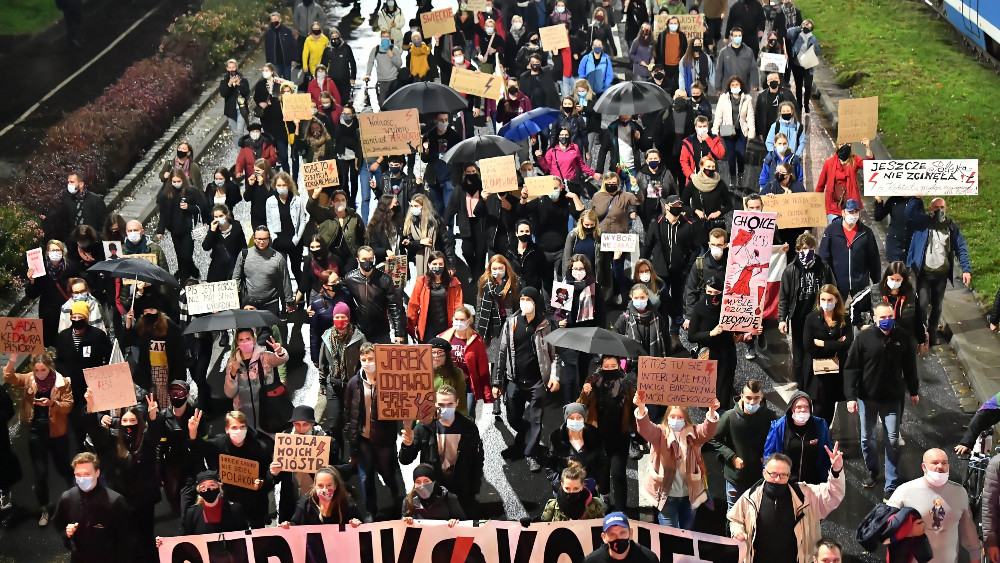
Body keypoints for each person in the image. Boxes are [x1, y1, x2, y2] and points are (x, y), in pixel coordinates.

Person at [846, 301, 920, 496]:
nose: (887, 321)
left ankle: (891, 481)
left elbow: (910, 366)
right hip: (867, 398)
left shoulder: (902, 337)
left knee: (893, 440)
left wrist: (914, 390)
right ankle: (872, 470)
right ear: (875, 317)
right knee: (866, 438)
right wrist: (851, 396)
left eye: (890, 317)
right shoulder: (864, 338)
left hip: (892, 399)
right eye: (883, 317)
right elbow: (852, 368)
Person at [728, 450, 846, 563]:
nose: (777, 480)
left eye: (783, 475)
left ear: (789, 475)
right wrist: (737, 531)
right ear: (764, 473)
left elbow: (833, 494)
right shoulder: (750, 497)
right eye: (773, 474)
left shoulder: (806, 495)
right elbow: (735, 519)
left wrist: (836, 471)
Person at [84, 393, 162, 560]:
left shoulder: (145, 440)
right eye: (125, 421)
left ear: (139, 423)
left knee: (146, 539)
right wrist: (90, 409)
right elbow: (95, 432)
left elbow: (154, 436)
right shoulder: (112, 439)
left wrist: (154, 417)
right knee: (124, 540)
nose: (128, 424)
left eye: (132, 421)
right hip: (120, 502)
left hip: (144, 501)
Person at [492, 287, 560, 472]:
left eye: (528, 299)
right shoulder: (511, 323)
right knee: (513, 418)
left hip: (537, 382)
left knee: (537, 418)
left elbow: (555, 355)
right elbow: (501, 352)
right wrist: (497, 382)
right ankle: (528, 431)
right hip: (514, 380)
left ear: (536, 302)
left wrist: (554, 376)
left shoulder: (546, 325)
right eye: (522, 298)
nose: (524, 302)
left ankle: (531, 453)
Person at [4, 352, 73, 527]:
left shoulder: (62, 382)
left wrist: (52, 404)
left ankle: (75, 500)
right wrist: (12, 360)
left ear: (50, 368)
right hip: (36, 431)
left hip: (56, 431)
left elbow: (68, 405)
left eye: (43, 369)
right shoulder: (29, 379)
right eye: (36, 370)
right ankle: (44, 507)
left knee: (64, 467)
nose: (39, 373)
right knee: (40, 472)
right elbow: (10, 377)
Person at [635, 390, 719, 528]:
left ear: (686, 419)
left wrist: (711, 412)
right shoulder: (660, 434)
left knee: (686, 534)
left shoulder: (694, 434)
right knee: (670, 536)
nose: (676, 420)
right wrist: (641, 407)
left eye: (680, 417)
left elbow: (708, 431)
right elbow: (645, 428)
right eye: (673, 416)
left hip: (689, 496)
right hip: (666, 497)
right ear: (667, 418)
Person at [399, 384, 483, 515]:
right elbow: (405, 460)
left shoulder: (469, 428)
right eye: (441, 405)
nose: (445, 409)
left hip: (461, 487)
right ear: (435, 404)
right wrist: (407, 445)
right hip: (434, 490)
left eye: (450, 404)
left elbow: (477, 461)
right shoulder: (423, 427)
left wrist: (475, 488)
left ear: (457, 403)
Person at [887, 448, 981, 563]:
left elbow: (967, 530)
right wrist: (909, 531)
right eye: (935, 463)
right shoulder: (904, 491)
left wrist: (975, 553)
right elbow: (883, 531)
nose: (940, 466)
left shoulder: (959, 492)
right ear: (924, 467)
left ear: (949, 467)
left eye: (944, 463)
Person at [344, 344, 404, 519]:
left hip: (384, 439)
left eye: (371, 359)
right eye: (364, 360)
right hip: (363, 440)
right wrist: (351, 435)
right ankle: (371, 510)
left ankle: (395, 492)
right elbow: (348, 412)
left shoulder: (389, 382)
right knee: (365, 476)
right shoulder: (354, 383)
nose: (367, 363)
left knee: (387, 472)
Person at [188, 410, 274, 528]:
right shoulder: (219, 443)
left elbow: (270, 474)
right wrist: (193, 431)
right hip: (230, 500)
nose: (238, 431)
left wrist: (263, 483)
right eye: (234, 427)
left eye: (242, 427)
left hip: (255, 502)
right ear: (227, 429)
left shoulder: (260, 448)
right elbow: (200, 447)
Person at [905, 197, 972, 346]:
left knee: (937, 305)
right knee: (921, 304)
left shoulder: (951, 226)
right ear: (930, 209)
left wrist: (966, 269)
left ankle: (932, 332)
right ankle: (921, 332)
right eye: (936, 207)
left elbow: (961, 247)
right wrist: (916, 199)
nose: (939, 210)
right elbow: (909, 214)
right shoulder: (922, 223)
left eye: (942, 207)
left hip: (941, 274)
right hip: (924, 273)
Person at [710, 379, 779, 509]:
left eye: (756, 398)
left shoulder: (770, 417)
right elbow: (714, 438)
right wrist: (732, 457)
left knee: (757, 511)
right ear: (741, 396)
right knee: (733, 511)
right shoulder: (730, 416)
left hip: (760, 477)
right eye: (748, 398)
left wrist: (769, 456)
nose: (752, 402)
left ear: (761, 397)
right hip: (735, 477)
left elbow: (778, 440)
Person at [577, 356, 635, 512]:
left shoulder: (628, 385)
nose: (609, 369)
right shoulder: (592, 381)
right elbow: (580, 407)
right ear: (601, 367)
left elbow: (633, 410)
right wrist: (585, 392)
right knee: (602, 471)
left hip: (619, 436)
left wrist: (640, 436)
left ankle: (622, 509)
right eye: (606, 366)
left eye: (613, 366)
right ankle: (605, 497)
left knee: (618, 474)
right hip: (598, 437)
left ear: (619, 366)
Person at [777, 233, 835, 387]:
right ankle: (801, 387)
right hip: (799, 319)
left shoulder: (823, 268)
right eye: (803, 249)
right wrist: (782, 319)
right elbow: (784, 297)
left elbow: (833, 292)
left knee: (819, 351)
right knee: (799, 356)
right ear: (797, 250)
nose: (807, 251)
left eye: (810, 248)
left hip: (819, 318)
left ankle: (817, 385)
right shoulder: (790, 270)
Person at [52, 452, 131, 563]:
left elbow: (126, 538)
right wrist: (66, 533)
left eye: (87, 474)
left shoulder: (115, 501)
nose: (82, 479)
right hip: (79, 558)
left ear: (97, 473)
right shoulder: (68, 497)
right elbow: (58, 522)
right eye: (78, 475)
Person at [269, 406, 338, 523]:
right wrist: (274, 473)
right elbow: (272, 479)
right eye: (297, 424)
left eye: (305, 424)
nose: (301, 428)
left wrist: (327, 470)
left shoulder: (327, 442)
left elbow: (338, 472)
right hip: (291, 502)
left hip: (318, 502)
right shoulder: (284, 441)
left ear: (312, 424)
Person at [818, 199, 881, 326]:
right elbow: (824, 257)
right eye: (850, 211)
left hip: (860, 282)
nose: (853, 215)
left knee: (860, 316)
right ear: (843, 212)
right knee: (836, 315)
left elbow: (873, 257)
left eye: (856, 211)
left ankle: (859, 339)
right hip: (837, 283)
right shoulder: (832, 231)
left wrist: (877, 282)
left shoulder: (866, 232)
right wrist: (827, 281)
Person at [801, 285, 853, 423]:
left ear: (836, 300)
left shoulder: (844, 319)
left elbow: (847, 344)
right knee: (817, 408)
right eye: (823, 299)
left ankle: (824, 436)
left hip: (835, 372)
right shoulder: (811, 319)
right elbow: (809, 347)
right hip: (816, 373)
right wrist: (836, 344)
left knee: (830, 407)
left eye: (830, 299)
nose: (826, 302)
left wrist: (823, 344)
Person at [233, 226, 297, 336]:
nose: (261, 242)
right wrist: (235, 298)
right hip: (249, 304)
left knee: (268, 336)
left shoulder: (277, 258)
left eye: (264, 239)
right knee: (248, 335)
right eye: (259, 239)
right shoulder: (244, 255)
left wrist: (289, 301)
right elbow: (236, 278)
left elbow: (285, 281)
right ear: (254, 239)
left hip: (270, 303)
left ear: (269, 239)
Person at [126, 294, 185, 407]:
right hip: (147, 375)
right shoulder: (141, 326)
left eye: (151, 310)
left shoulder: (171, 328)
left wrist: (180, 381)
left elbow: (179, 356)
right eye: (145, 311)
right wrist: (128, 323)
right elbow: (126, 342)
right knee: (150, 406)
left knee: (166, 406)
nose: (148, 313)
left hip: (167, 374)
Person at [555, 255, 600, 402]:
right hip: (569, 336)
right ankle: (569, 408)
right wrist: (559, 322)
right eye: (575, 269)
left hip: (586, 336)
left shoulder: (594, 287)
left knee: (583, 373)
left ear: (586, 270)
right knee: (570, 378)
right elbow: (557, 314)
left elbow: (601, 314)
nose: (578, 271)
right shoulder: (564, 287)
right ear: (570, 269)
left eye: (581, 269)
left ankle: (582, 405)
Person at [764, 391, 833, 485]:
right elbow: (769, 456)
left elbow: (826, 453)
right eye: (798, 407)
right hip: (786, 483)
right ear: (792, 409)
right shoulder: (778, 427)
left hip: (813, 484)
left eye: (806, 406)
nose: (803, 410)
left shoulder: (820, 425)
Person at [159, 380, 206, 517]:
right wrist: (160, 472)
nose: (176, 398)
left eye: (179, 394)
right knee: (174, 499)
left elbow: (205, 444)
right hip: (172, 466)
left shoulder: (196, 415)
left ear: (186, 396)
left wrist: (194, 434)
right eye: (173, 394)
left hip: (192, 464)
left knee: (192, 502)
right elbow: (159, 446)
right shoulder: (163, 416)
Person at [343, 246, 404, 344]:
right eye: (364, 259)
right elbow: (343, 301)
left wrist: (399, 333)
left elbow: (395, 306)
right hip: (359, 331)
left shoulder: (385, 279)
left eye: (370, 259)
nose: (367, 262)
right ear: (358, 260)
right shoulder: (350, 279)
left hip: (381, 330)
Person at [439, 307, 492, 417]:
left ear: (468, 321)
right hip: (448, 386)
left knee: (468, 419)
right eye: (456, 319)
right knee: (448, 418)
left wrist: (487, 396)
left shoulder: (476, 341)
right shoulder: (443, 338)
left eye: (462, 320)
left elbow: (483, 369)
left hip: (468, 386)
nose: (459, 322)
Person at [545, 402, 606, 493]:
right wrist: (558, 484)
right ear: (566, 420)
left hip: (588, 488)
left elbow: (602, 463)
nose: (575, 421)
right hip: (565, 488)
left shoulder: (595, 437)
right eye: (571, 418)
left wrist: (597, 483)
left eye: (579, 418)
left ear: (584, 419)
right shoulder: (557, 439)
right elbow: (550, 465)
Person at [27, 240, 79, 346]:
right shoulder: (40, 270)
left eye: (57, 250)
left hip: (66, 312)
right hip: (48, 314)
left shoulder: (70, 267)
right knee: (48, 342)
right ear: (47, 253)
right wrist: (32, 281)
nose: (55, 253)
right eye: (52, 250)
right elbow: (31, 294)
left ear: (62, 252)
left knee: (66, 341)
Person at [280, 465, 363, 527]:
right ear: (315, 486)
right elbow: (295, 527)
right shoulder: (305, 504)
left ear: (335, 486)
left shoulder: (347, 504)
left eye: (329, 485)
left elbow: (362, 529)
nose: (324, 489)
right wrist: (288, 526)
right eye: (320, 485)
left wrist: (357, 524)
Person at [871, 262, 926, 352]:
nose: (894, 282)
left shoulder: (911, 294)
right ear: (886, 277)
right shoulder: (876, 291)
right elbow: (855, 306)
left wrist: (921, 342)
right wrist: (860, 324)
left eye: (898, 280)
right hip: (882, 342)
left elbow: (918, 319)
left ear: (903, 280)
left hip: (905, 342)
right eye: (892, 279)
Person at [476, 255, 520, 362]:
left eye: (500, 268)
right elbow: (479, 308)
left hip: (508, 321)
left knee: (508, 357)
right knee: (493, 358)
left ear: (506, 268)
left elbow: (517, 306)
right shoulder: (484, 282)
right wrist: (478, 331)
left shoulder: (514, 281)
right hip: (491, 324)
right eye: (494, 269)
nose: (497, 271)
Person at [266, 172, 308, 283]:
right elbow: (269, 222)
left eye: (283, 185)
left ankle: (301, 297)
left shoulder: (297, 200)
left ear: (288, 185)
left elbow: (303, 220)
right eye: (279, 185)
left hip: (294, 242)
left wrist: (297, 238)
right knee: (281, 272)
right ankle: (286, 297)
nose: (281, 188)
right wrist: (274, 238)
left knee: (296, 270)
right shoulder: (270, 201)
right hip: (279, 242)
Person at [682, 156, 732, 249]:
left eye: (713, 167)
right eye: (708, 166)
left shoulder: (720, 183)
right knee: (701, 251)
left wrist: (719, 212)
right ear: (701, 167)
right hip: (699, 226)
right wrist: (695, 211)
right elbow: (683, 205)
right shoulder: (693, 183)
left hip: (716, 226)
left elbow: (729, 205)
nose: (711, 169)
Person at [816, 139, 873, 221]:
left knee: (850, 231)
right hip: (833, 206)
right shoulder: (829, 163)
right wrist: (815, 205)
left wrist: (867, 148)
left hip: (851, 206)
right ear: (837, 146)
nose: (845, 146)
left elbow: (870, 167)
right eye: (842, 144)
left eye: (848, 144)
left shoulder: (854, 160)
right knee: (836, 231)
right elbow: (820, 186)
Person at [179, 471, 249, 535]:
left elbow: (245, 537)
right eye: (203, 486)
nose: (208, 489)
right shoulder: (191, 513)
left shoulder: (235, 509)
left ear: (219, 488)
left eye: (212, 485)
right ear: (199, 490)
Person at [683, 227, 729, 326]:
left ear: (725, 245)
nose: (716, 248)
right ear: (709, 244)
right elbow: (691, 290)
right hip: (705, 311)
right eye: (713, 244)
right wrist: (689, 316)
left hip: (725, 312)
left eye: (719, 245)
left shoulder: (732, 264)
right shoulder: (700, 264)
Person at [713, 76, 755, 182]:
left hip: (741, 130)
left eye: (737, 84)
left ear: (741, 85)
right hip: (727, 130)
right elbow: (719, 115)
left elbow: (750, 117)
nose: (735, 86)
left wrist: (751, 133)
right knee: (731, 155)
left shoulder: (747, 99)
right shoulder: (723, 98)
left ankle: (740, 175)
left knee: (741, 155)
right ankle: (732, 178)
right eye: (732, 85)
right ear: (729, 87)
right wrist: (715, 130)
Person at [542, 460, 606, 521]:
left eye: (576, 488)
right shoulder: (552, 506)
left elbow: (601, 524)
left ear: (582, 486)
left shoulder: (596, 504)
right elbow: (544, 525)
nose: (571, 492)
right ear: (562, 485)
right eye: (567, 488)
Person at [583, 511, 659, 562]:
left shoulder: (649, 558)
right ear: (604, 537)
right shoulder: (592, 560)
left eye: (622, 532)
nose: (618, 538)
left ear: (631, 533)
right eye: (612, 534)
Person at [202, 204, 246, 283]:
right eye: (216, 217)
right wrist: (212, 231)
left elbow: (243, 246)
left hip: (233, 267)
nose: (218, 219)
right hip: (217, 268)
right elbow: (206, 247)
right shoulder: (214, 230)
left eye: (221, 216)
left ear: (226, 215)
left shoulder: (236, 226)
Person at [59, 172, 109, 240]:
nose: (69, 185)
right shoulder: (67, 201)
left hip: (93, 241)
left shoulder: (95, 200)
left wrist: (99, 237)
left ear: (81, 184)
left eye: (72, 182)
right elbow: (64, 224)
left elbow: (104, 221)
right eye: (68, 182)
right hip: (73, 243)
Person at [680, 116, 726, 183]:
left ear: (708, 127)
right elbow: (683, 161)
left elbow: (720, 155)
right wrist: (690, 174)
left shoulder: (715, 139)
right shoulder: (688, 142)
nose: (702, 128)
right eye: (700, 126)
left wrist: (708, 139)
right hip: (694, 178)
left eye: (704, 126)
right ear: (696, 127)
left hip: (711, 178)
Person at [787, 20, 819, 114]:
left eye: (809, 27)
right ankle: (799, 104)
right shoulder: (797, 34)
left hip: (808, 66)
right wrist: (799, 27)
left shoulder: (812, 38)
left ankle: (806, 105)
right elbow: (788, 32)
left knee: (808, 86)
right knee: (798, 85)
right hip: (797, 65)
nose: (806, 28)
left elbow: (817, 51)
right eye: (805, 25)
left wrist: (813, 49)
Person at [365, 30, 403, 107]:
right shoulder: (375, 50)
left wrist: (392, 56)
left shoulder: (395, 49)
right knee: (382, 104)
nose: (385, 38)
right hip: (381, 81)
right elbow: (370, 62)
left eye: (387, 37)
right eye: (383, 37)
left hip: (393, 80)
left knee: (394, 104)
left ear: (390, 37)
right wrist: (368, 74)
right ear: (380, 37)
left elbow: (399, 65)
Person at [715, 28, 758, 93]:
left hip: (744, 88)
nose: (738, 37)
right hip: (727, 89)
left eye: (739, 36)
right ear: (731, 37)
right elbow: (719, 70)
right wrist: (718, 88)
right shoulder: (724, 52)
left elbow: (753, 68)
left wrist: (755, 84)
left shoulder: (748, 51)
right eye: (735, 36)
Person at [219, 60, 250, 148]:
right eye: (230, 67)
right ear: (227, 68)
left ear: (236, 67)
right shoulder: (224, 81)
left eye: (233, 67)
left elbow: (246, 93)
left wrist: (239, 84)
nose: (232, 69)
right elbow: (223, 94)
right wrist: (229, 84)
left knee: (240, 131)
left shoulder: (243, 80)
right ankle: (239, 153)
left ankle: (243, 150)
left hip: (241, 109)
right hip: (230, 110)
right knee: (235, 133)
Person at [654, 16, 688, 92]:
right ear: (668, 24)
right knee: (664, 88)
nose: (673, 25)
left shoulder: (682, 36)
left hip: (677, 67)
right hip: (664, 67)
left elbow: (685, 50)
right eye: (671, 23)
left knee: (675, 88)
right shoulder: (662, 36)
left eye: (675, 23)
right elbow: (658, 51)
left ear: (678, 24)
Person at [264, 12, 296, 80]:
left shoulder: (287, 31)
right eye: (272, 20)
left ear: (280, 19)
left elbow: (292, 45)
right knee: (276, 81)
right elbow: (267, 49)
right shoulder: (268, 33)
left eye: (275, 19)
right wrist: (268, 62)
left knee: (287, 81)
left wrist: (293, 58)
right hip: (275, 62)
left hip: (286, 62)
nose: (273, 21)